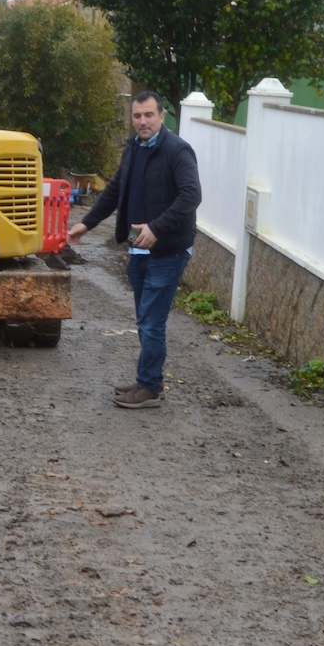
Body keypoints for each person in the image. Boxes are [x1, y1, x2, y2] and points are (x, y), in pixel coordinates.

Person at [67, 91, 201, 408]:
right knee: (145, 319)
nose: (142, 121)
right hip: (138, 251)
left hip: (168, 251)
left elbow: (191, 196)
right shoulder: (133, 149)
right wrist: (86, 224)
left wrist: (157, 228)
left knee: (152, 321)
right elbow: (115, 190)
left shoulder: (177, 150)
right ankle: (149, 378)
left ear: (162, 116)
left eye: (149, 115)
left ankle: (149, 388)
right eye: (137, 116)